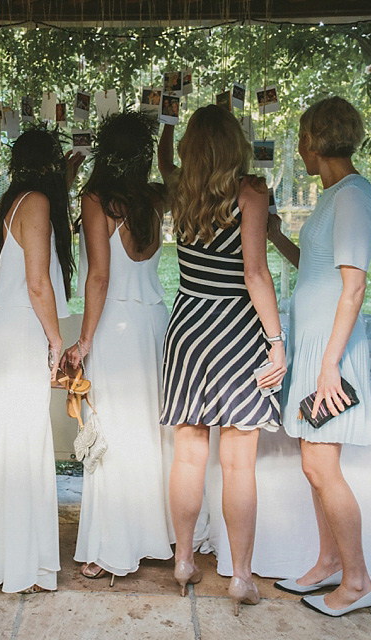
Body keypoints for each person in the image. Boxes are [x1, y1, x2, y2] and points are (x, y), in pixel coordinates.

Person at [158, 105, 285, 614]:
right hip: (236, 329)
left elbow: (164, 159)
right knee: (238, 466)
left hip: (188, 326)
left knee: (188, 455)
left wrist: (166, 123)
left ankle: (184, 562)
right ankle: (240, 578)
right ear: (235, 144)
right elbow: (255, 273)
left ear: (192, 148)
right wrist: (276, 339)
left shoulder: (178, 188)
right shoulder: (251, 193)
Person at [266, 96, 371, 616]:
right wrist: (274, 238)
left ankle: (359, 582)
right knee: (313, 466)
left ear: (312, 141)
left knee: (320, 465)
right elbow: (318, 268)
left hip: (331, 353)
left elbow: (353, 288)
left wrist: (330, 363)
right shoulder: (334, 195)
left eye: (301, 138)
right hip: (316, 347)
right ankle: (328, 562)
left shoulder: (354, 195)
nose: (299, 148)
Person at [0, 129, 82, 593]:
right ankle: (21, 568)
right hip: (18, 337)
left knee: (1, 451)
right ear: (49, 165)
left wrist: (64, 182)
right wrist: (56, 342)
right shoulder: (35, 204)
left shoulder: (16, 201)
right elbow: (38, 284)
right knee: (22, 449)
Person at [60, 111, 173, 583]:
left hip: (117, 326)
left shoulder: (96, 200)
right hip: (155, 321)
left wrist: (84, 340)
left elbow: (100, 276)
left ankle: (113, 545)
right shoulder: (154, 198)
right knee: (152, 427)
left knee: (114, 430)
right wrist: (169, 127)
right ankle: (154, 535)